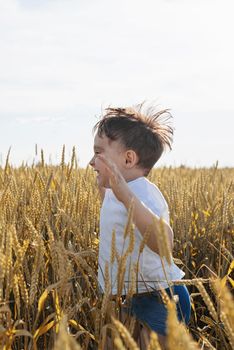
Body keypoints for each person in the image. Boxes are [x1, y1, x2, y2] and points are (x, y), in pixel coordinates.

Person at [89, 104, 191, 348]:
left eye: (98, 153)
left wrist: (125, 195)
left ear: (128, 158)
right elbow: (116, 219)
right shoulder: (118, 193)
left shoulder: (143, 193)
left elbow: (165, 243)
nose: (91, 161)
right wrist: (106, 192)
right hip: (133, 296)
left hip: (161, 297)